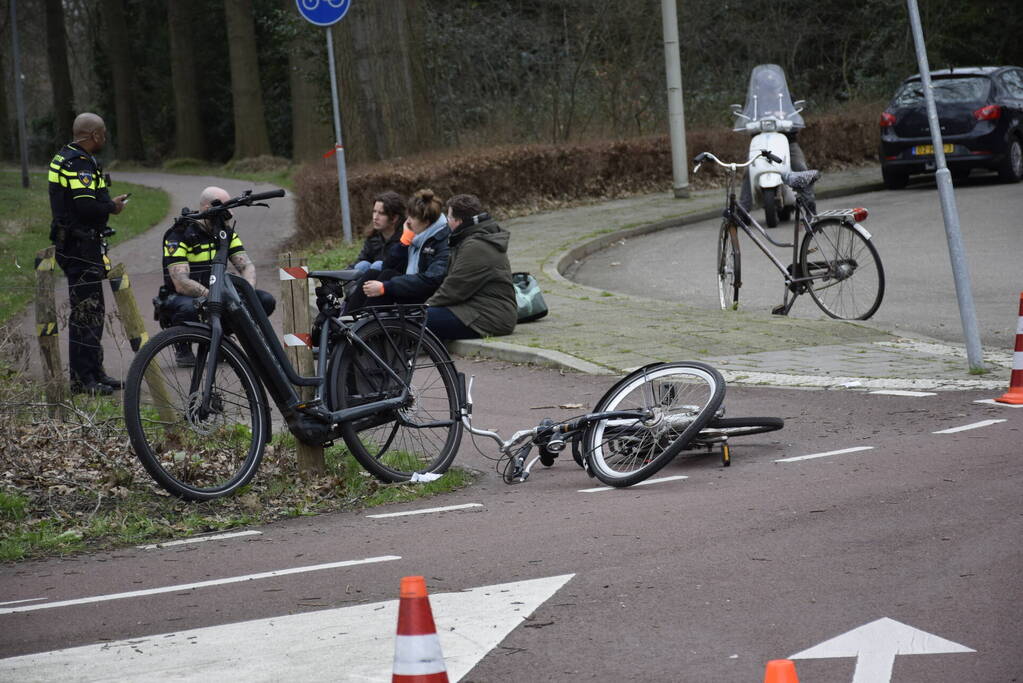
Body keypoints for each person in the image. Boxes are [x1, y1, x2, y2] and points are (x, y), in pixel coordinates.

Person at [48, 112, 129, 396]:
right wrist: (112, 207)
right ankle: (83, 379)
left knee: (93, 310)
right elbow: (85, 207)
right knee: (86, 312)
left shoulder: (66, 156)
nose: (104, 137)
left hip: (76, 243)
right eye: (103, 133)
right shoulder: (79, 163)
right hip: (79, 246)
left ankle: (94, 372)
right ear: (94, 135)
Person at [160, 186, 276, 366]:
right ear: (208, 208)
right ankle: (183, 346)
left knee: (264, 301)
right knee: (188, 308)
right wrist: (212, 296)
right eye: (225, 208)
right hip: (186, 296)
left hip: (219, 294)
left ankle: (223, 339)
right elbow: (181, 282)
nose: (230, 213)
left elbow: (246, 266)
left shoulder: (225, 232)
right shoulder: (179, 234)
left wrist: (246, 294)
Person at [425, 194, 517, 340]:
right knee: (417, 317)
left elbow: (454, 288)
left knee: (421, 319)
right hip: (474, 308)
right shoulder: (469, 239)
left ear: (459, 221)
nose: (447, 221)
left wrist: (425, 307)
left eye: (449, 217)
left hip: (491, 316)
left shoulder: (476, 246)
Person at [344, 188, 450, 312]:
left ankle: (363, 320)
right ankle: (348, 317)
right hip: (412, 289)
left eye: (412, 217)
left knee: (387, 278)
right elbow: (387, 266)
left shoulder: (442, 240)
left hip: (426, 298)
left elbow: (430, 280)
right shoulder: (418, 235)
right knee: (374, 273)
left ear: (426, 222)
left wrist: (386, 287)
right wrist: (404, 242)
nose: (408, 221)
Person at [350, 191, 405, 273]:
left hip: (393, 277)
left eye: (381, 213)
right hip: (372, 277)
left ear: (394, 218)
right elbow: (361, 259)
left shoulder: (404, 239)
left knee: (378, 265)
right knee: (362, 265)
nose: (375, 217)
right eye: (374, 211)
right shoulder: (373, 237)